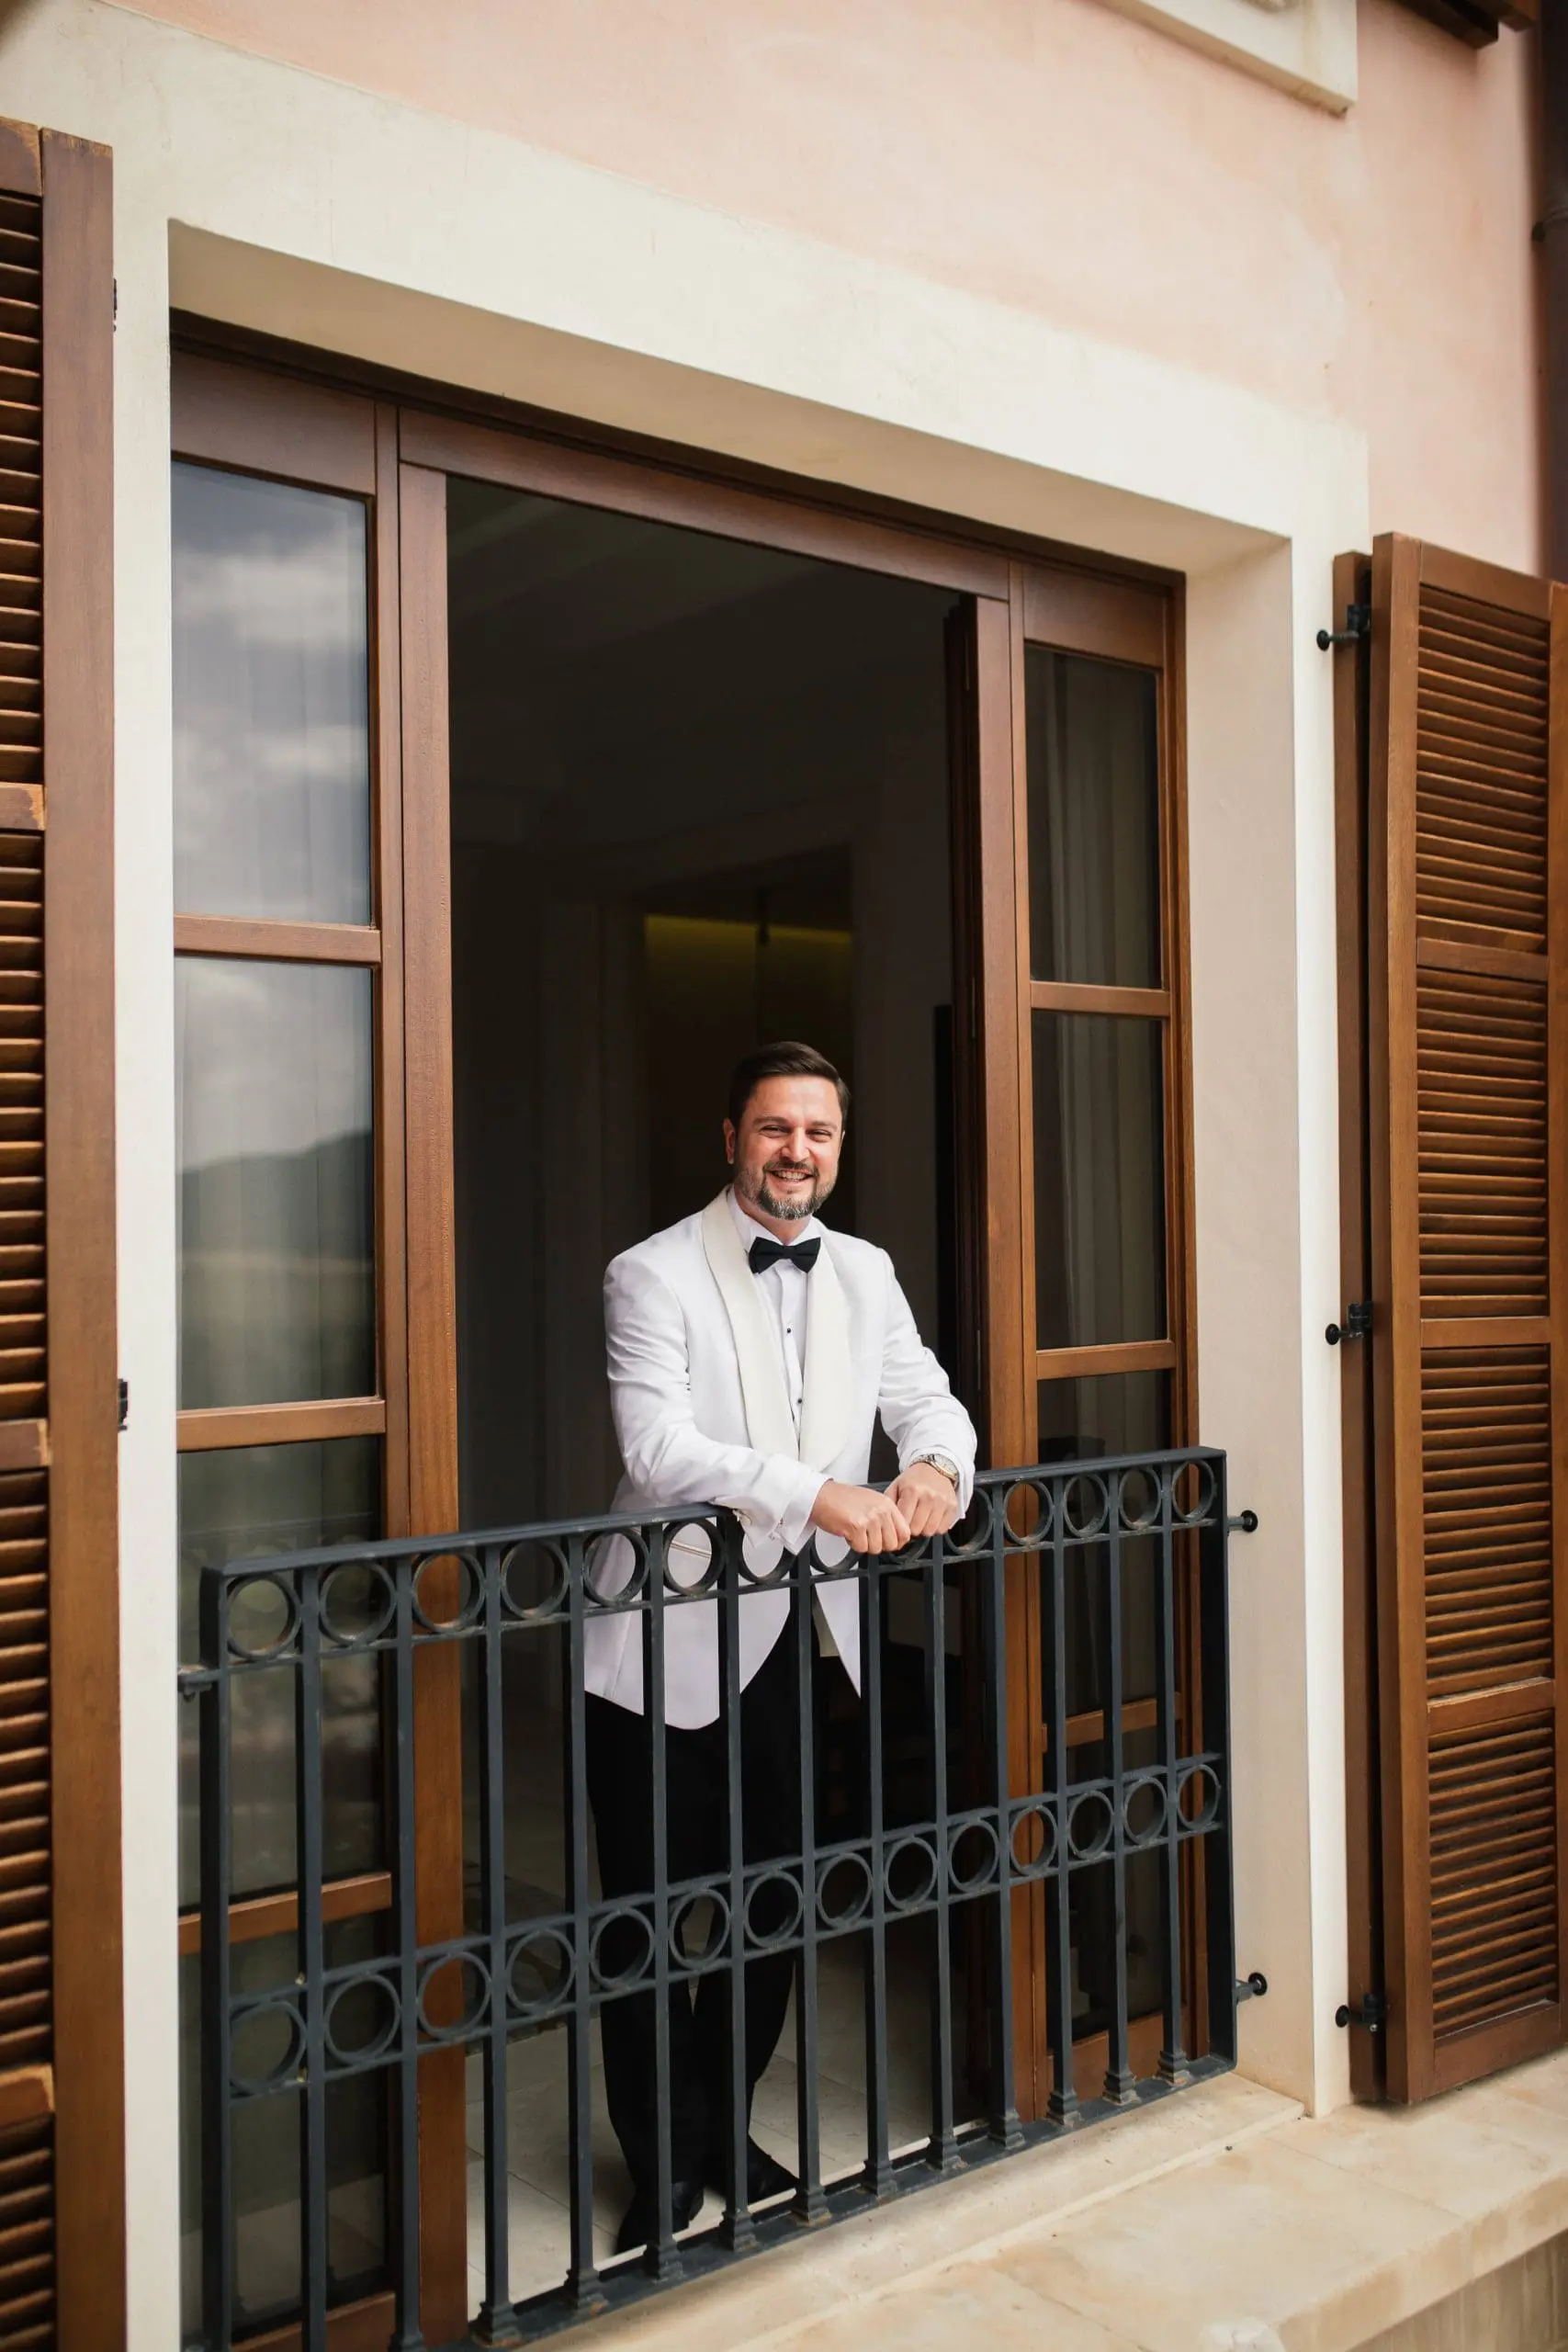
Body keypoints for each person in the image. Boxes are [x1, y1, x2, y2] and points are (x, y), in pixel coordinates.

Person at [585, 1040, 977, 2254]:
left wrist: (934, 1468)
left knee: (773, 1908)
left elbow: (926, 1396)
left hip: (799, 1646)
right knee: (650, 1918)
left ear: (836, 1147)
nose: (794, 1151)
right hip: (660, 1642)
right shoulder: (648, 1274)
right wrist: (817, 1492)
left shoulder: (867, 1271)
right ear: (730, 1139)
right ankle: (658, 2161)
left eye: (815, 1131)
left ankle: (719, 2126)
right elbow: (656, 1450)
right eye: (772, 1129)